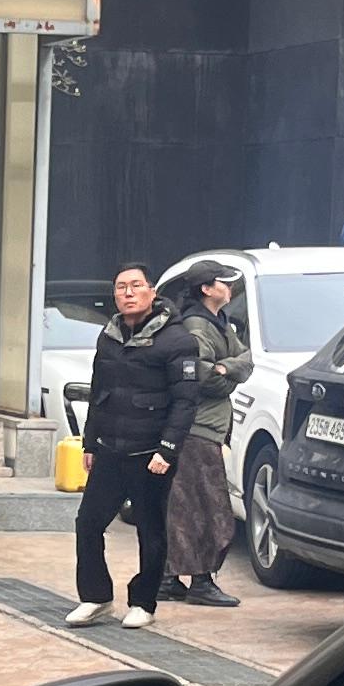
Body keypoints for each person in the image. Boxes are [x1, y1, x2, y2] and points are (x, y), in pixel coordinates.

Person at [66, 263, 198, 628]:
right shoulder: (109, 335)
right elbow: (99, 391)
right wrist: (90, 441)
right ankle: (96, 597)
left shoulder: (177, 340)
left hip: (150, 454)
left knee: (150, 531)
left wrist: (167, 449)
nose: (128, 293)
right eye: (121, 287)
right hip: (110, 449)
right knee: (88, 523)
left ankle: (143, 602)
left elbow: (186, 401)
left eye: (136, 285)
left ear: (152, 292)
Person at [164, 267, 252, 606]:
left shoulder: (220, 322)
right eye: (224, 283)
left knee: (186, 504)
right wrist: (228, 372)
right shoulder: (197, 326)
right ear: (206, 288)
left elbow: (247, 359)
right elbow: (205, 379)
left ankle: (169, 578)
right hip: (197, 429)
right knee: (206, 506)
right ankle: (200, 581)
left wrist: (227, 367)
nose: (230, 288)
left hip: (207, 429)